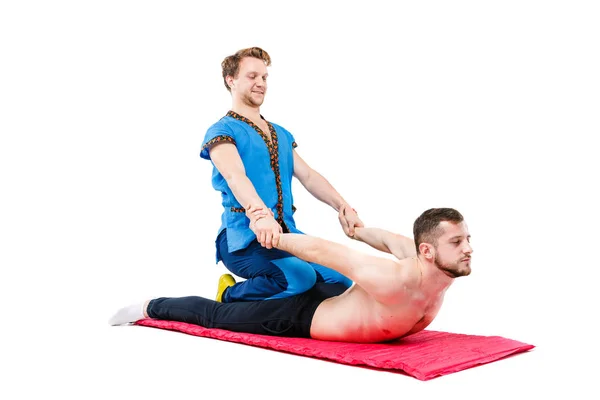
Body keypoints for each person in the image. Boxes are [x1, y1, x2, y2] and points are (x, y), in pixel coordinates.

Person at [109, 208, 473, 343]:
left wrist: (358, 231)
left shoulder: (425, 262)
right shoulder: (392, 279)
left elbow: (393, 240)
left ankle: (239, 290)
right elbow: (321, 251)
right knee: (216, 318)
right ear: (429, 251)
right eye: (457, 242)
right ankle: (148, 306)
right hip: (297, 319)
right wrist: (274, 236)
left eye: (467, 239)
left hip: (326, 299)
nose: (468, 248)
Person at [200, 46, 362, 303]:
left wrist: (343, 207)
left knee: (339, 280)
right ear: (231, 80)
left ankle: (289, 308)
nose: (260, 83)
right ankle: (228, 294)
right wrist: (260, 214)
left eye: (264, 77)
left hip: (287, 235)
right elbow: (235, 176)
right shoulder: (222, 130)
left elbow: (308, 176)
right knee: (299, 277)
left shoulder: (281, 134)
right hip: (245, 238)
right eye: (252, 76)